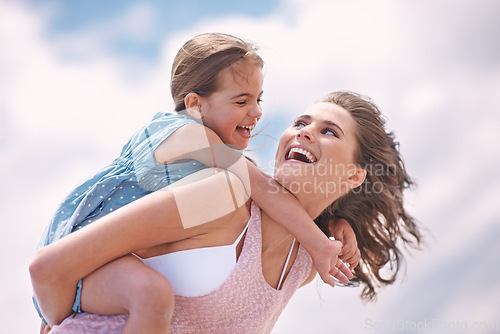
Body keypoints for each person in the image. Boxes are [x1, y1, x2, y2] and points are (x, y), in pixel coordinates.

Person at [30, 33, 352, 333]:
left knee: (151, 295)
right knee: (151, 295)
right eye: (241, 102)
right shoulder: (186, 135)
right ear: (196, 105)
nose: (256, 112)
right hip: (78, 254)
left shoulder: (218, 162)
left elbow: (267, 199)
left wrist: (330, 223)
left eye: (259, 99)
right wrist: (320, 244)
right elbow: (265, 189)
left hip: (100, 266)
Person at [30, 91, 422, 333]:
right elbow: (50, 267)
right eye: (300, 122)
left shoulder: (302, 265)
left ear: (355, 175)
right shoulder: (223, 194)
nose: (302, 131)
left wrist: (337, 225)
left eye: (328, 131)